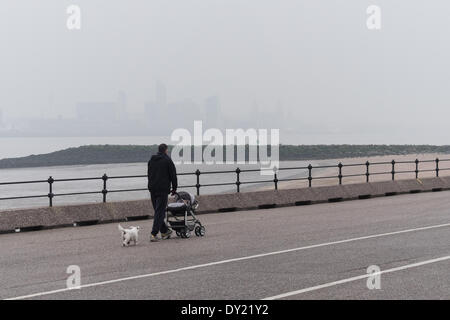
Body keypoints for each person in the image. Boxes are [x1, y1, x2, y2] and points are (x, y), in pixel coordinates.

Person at [147, 143, 177, 242]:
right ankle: (153, 234)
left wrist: (150, 185)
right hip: (162, 189)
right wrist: (174, 188)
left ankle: (164, 231)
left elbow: (149, 174)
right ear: (165, 150)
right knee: (160, 212)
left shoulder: (151, 160)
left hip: (152, 189)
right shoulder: (167, 160)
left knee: (158, 211)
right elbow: (173, 175)